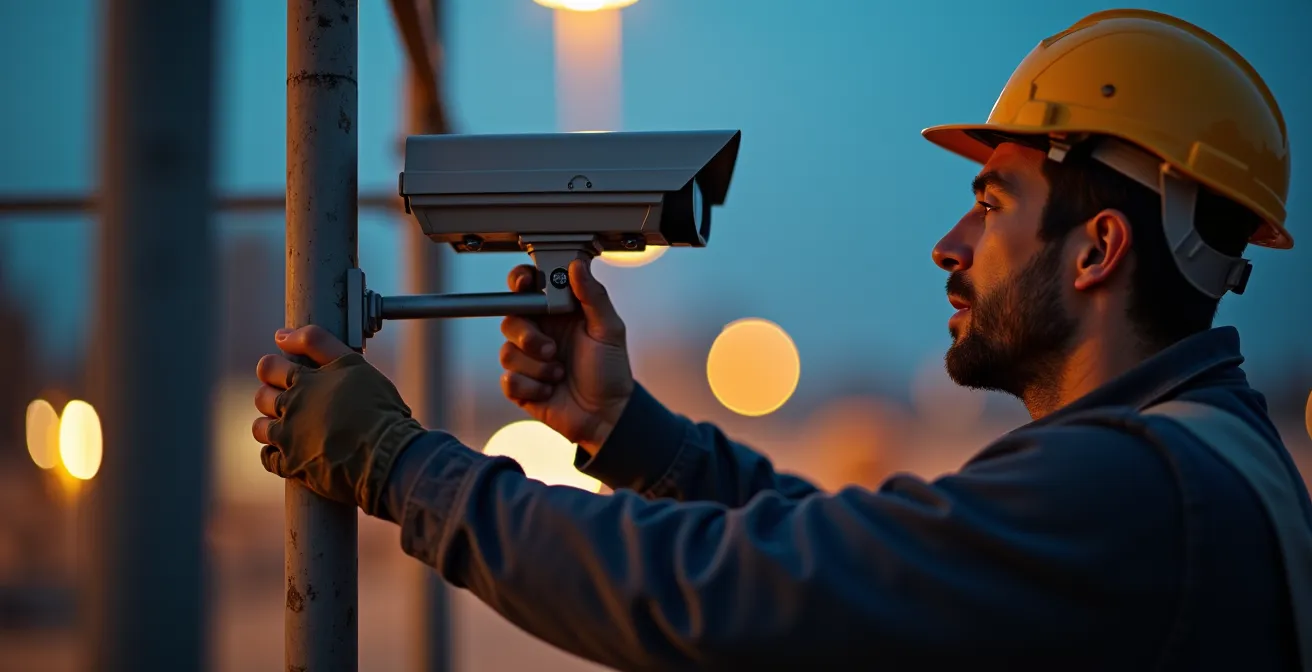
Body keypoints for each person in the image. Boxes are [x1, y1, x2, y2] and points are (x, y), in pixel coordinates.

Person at [252, 9, 1308, 671]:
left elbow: (736, 594)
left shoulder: (1133, 491)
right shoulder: (1190, 461)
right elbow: (849, 561)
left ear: (1097, 250)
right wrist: (627, 432)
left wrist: (403, 467)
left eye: (992, 204)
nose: (949, 245)